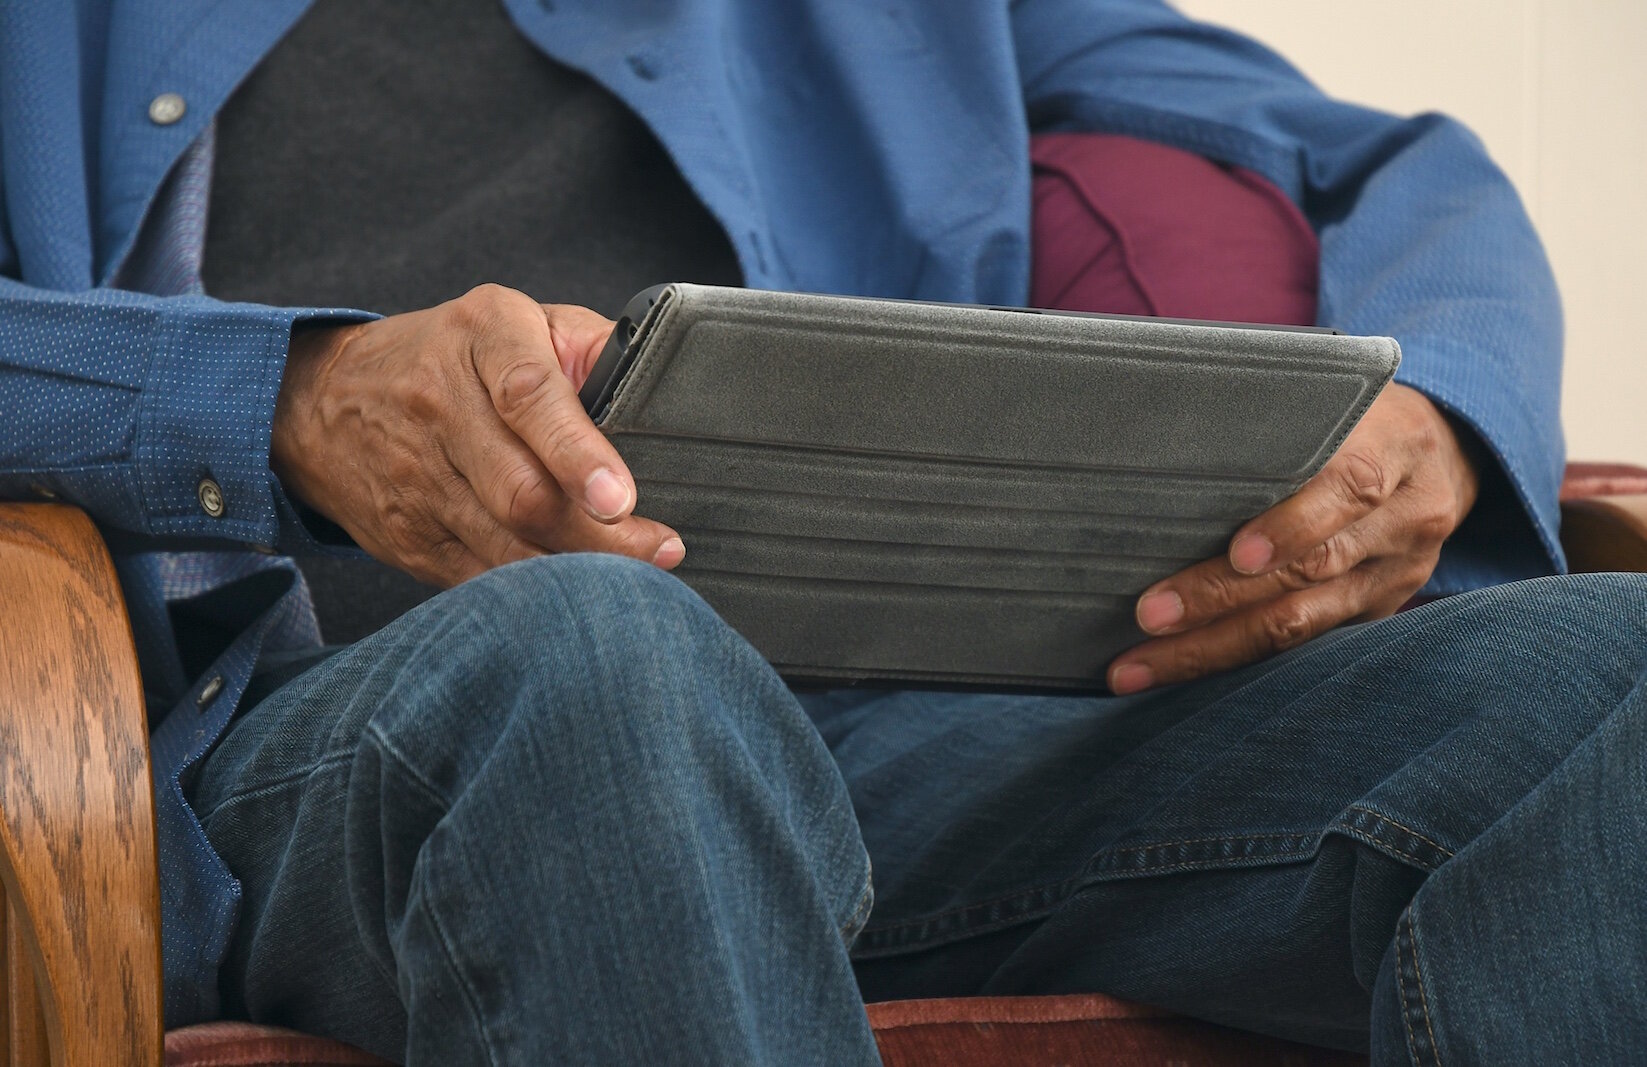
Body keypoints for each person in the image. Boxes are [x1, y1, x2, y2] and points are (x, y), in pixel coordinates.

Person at [2, 0, 1643, 1063]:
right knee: (605, 650)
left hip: (914, 737)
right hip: (325, 753)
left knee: (1609, 677)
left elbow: (1388, 167)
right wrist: (280, 396)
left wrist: (1442, 404)